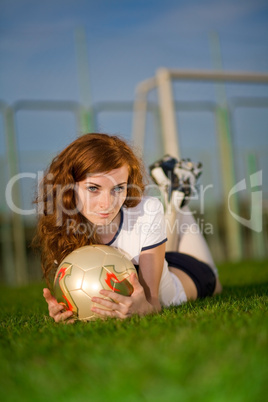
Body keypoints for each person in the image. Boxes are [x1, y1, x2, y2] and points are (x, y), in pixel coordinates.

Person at [33, 133, 222, 323]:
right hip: (157, 258)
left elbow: (152, 303)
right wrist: (64, 306)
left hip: (183, 275)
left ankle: (178, 202)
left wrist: (143, 307)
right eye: (93, 188)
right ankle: (175, 195)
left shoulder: (146, 210)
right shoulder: (62, 225)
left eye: (118, 188)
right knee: (160, 247)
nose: (106, 203)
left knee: (214, 282)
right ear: (70, 186)